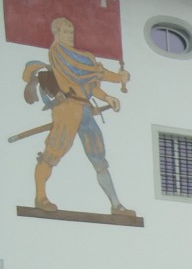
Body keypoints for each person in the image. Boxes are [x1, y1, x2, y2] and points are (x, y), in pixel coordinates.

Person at [21, 16, 135, 216]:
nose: (70, 35)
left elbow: (90, 85)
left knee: (99, 157)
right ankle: (40, 197)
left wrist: (107, 97)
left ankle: (116, 205)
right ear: (56, 33)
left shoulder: (83, 56)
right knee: (52, 153)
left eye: (71, 32)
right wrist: (117, 78)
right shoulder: (58, 53)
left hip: (85, 111)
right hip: (67, 110)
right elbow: (79, 74)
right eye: (65, 32)